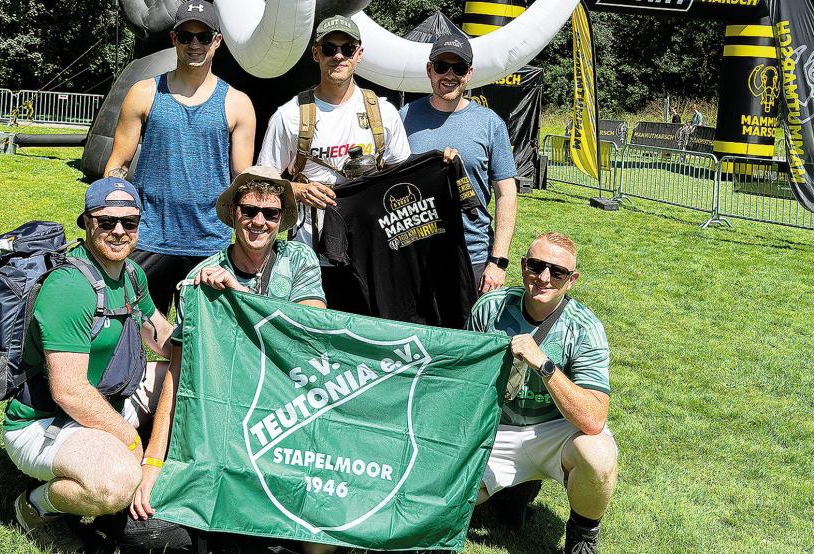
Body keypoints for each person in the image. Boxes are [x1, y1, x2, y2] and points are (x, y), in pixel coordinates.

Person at [130, 166, 328, 554]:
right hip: (226, 411)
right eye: (249, 210)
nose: (258, 221)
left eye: (270, 214)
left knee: (318, 543)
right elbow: (180, 372)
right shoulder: (202, 277)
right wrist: (154, 462)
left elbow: (308, 332)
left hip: (291, 400)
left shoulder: (299, 259)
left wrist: (240, 300)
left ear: (281, 219)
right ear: (233, 212)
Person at [2, 177, 175, 552]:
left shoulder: (131, 274)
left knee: (182, 376)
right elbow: (69, 391)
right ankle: (35, 506)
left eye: (129, 222)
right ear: (86, 223)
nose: (118, 231)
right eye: (106, 221)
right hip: (44, 421)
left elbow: (160, 335)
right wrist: (130, 439)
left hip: (105, 399)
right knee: (117, 482)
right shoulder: (70, 287)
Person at [466, 232, 618, 554]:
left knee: (599, 454)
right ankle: (513, 492)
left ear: (571, 279)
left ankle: (582, 540)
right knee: (446, 497)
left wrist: (544, 365)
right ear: (523, 266)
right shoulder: (488, 310)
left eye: (557, 272)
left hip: (553, 433)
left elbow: (593, 418)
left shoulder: (584, 327)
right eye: (536, 266)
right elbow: (465, 385)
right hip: (498, 430)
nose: (544, 278)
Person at [105, 0, 256, 316]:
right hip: (147, 239)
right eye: (186, 36)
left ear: (217, 40)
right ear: (174, 38)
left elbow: (244, 184)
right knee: (132, 335)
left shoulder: (238, 104)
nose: (195, 45)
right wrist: (109, 220)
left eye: (203, 37)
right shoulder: (144, 93)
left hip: (209, 244)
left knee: (201, 345)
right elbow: (116, 167)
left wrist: (247, 244)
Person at [257, 15, 411, 307]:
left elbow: (401, 178)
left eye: (347, 48)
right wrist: (300, 191)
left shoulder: (384, 113)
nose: (338, 55)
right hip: (310, 257)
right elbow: (261, 184)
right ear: (316, 54)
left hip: (373, 252)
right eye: (329, 48)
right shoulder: (290, 116)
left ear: (359, 54)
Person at [399, 33, 518, 294]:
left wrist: (498, 261)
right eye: (441, 67)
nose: (449, 75)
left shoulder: (490, 124)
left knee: (469, 334)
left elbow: (506, 193)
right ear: (429, 70)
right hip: (414, 253)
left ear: (469, 73)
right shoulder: (403, 118)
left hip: (472, 256)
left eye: (459, 68)